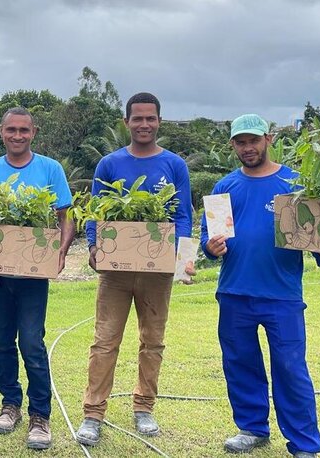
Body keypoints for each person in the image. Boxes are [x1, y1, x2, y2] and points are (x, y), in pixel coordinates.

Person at [200, 114, 320, 458]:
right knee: (240, 363)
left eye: (253, 140)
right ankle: (252, 428)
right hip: (234, 292)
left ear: (269, 138)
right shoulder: (224, 187)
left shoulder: (297, 184)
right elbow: (210, 238)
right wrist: (210, 247)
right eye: (240, 142)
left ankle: (304, 444)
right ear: (232, 145)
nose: (247, 148)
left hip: (282, 295)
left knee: (291, 368)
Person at [74, 92, 193, 445]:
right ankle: (93, 414)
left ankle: (144, 408)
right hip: (116, 272)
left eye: (150, 118)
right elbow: (97, 210)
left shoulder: (174, 165)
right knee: (104, 342)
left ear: (159, 122)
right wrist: (94, 245)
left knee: (153, 341)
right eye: (137, 118)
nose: (144, 124)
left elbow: (183, 214)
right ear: (126, 122)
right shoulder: (109, 164)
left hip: (157, 270)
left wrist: (183, 256)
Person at [0, 107, 75, 450]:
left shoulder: (50, 168)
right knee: (2, 341)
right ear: (1, 132)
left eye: (23, 130)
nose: (17, 135)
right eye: (11, 130)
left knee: (31, 342)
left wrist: (60, 250)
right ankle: (10, 405)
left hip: (33, 274)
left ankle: (40, 415)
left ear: (34, 132)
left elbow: (65, 216)